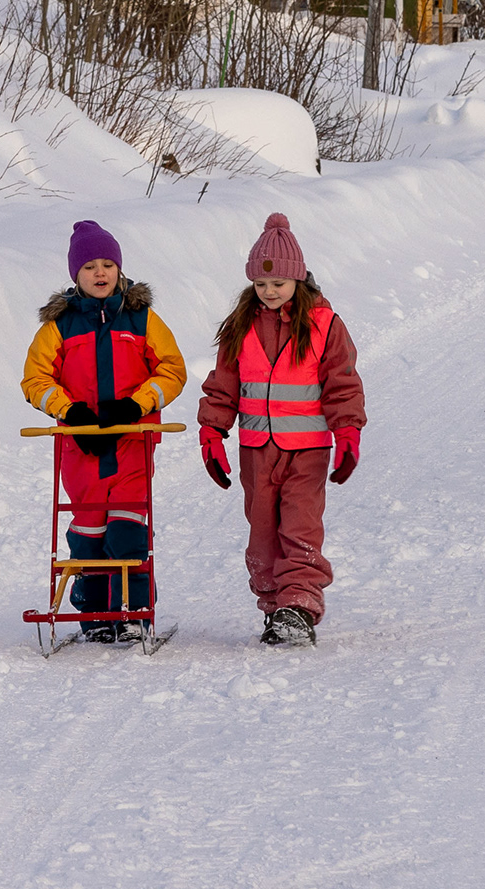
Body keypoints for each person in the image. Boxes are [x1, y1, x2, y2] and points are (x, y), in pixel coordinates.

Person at [194, 211, 363, 646]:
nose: (269, 291)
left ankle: (299, 604)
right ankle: (275, 608)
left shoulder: (324, 325)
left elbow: (342, 383)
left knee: (300, 527)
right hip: (256, 451)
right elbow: (223, 385)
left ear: (298, 279)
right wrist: (211, 434)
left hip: (307, 449)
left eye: (279, 283)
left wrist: (348, 433)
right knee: (263, 534)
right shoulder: (241, 326)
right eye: (261, 283)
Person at [21, 221, 184, 645]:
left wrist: (136, 404)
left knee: (127, 527)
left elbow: (171, 370)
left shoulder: (142, 318)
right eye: (90, 266)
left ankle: (133, 612)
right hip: (81, 447)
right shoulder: (59, 325)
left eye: (108, 265)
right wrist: (70, 412)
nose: (100, 273)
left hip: (131, 441)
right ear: (75, 274)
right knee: (89, 531)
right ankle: (94, 613)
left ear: (119, 269)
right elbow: (35, 379)